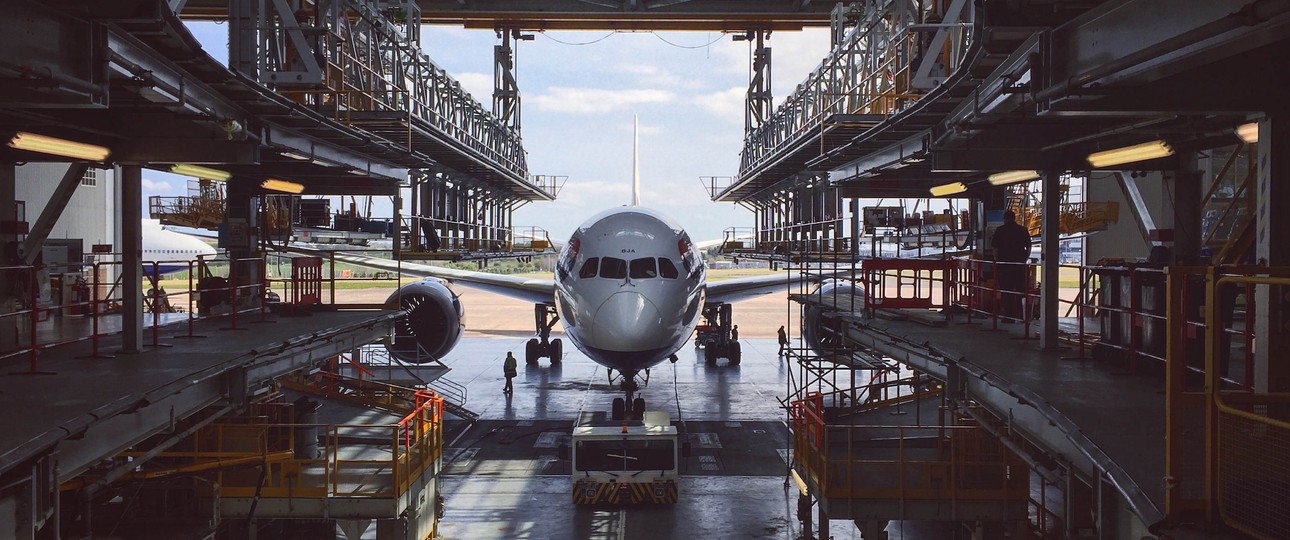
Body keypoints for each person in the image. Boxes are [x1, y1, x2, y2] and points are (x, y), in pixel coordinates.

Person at [991, 210, 1033, 322]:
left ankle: (1009, 316)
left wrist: (997, 261)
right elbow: (1029, 248)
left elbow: (995, 248)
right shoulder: (1023, 230)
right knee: (1021, 290)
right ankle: (1022, 315)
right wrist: (1024, 260)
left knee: (1006, 291)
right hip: (1019, 265)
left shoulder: (1000, 230)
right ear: (1014, 218)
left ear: (1005, 219)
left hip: (1005, 265)